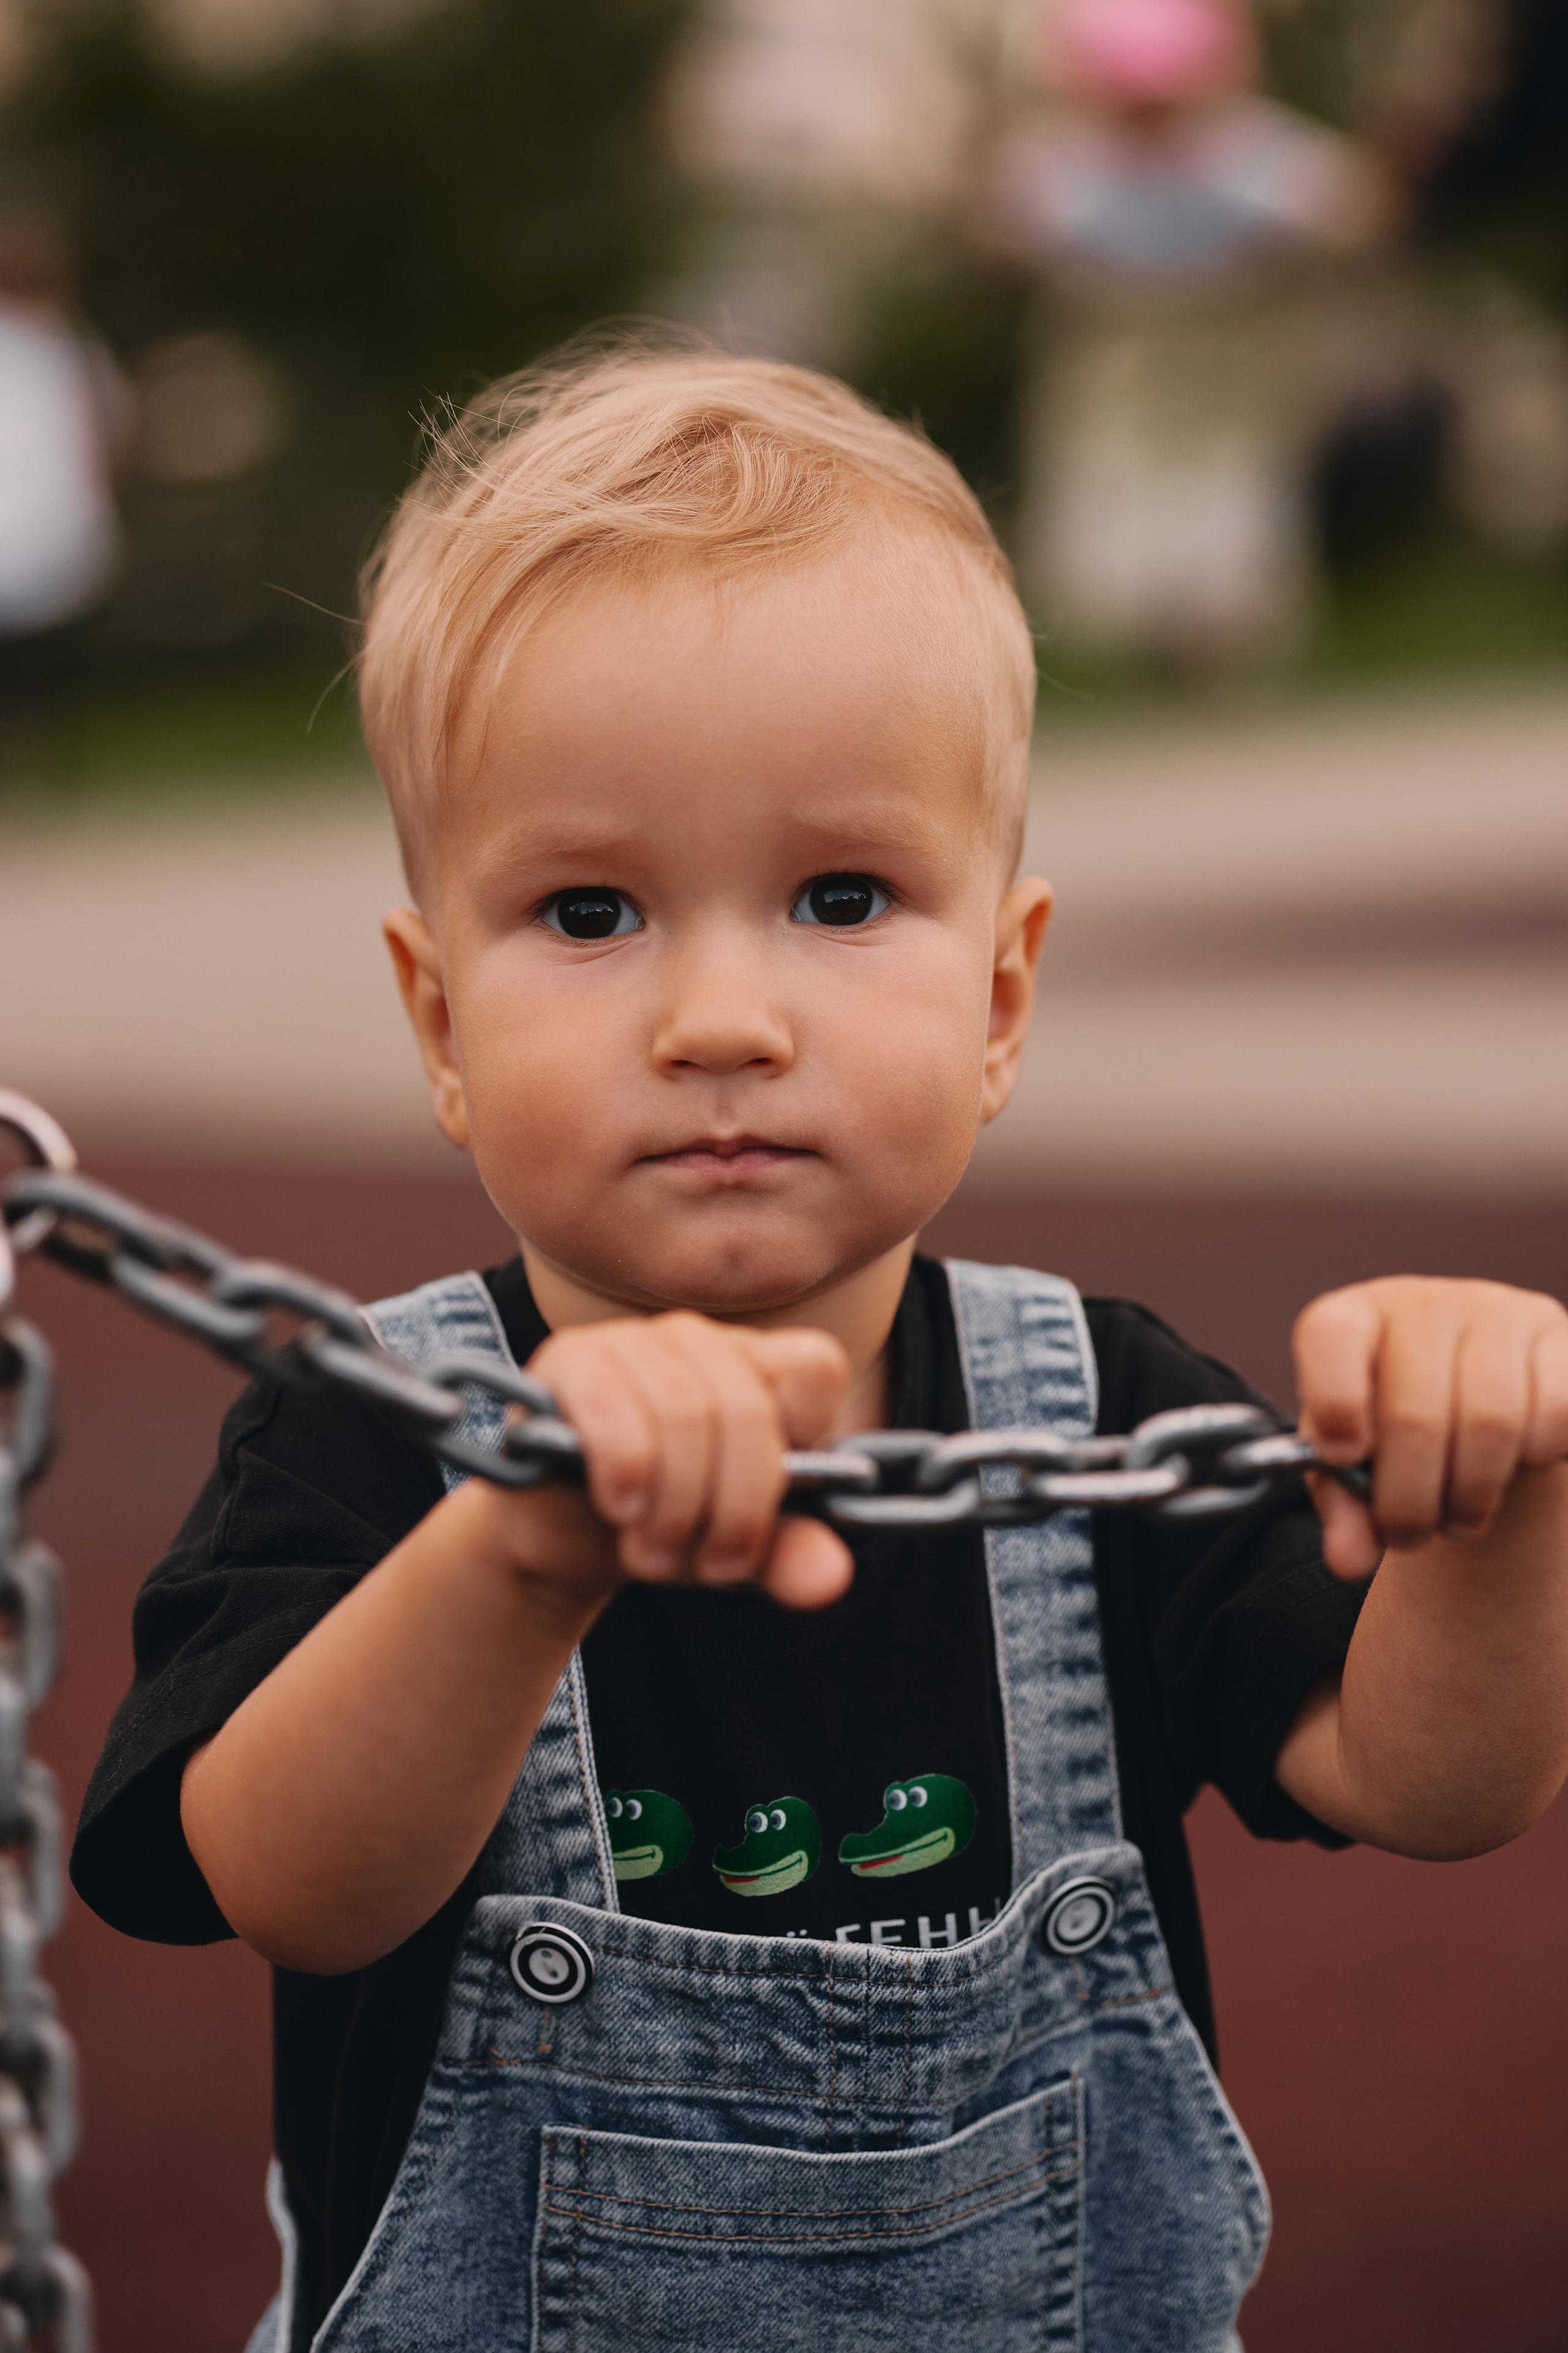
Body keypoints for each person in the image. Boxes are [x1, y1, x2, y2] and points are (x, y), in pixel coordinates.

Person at [71, 344, 1568, 2353]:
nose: (718, 1016)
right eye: (591, 909)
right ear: (439, 1023)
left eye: (839, 895)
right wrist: (515, 1555)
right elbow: (283, 1882)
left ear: (1006, 992)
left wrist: (1502, 1504)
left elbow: (1421, 1774)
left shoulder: (1099, 1411)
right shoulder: (373, 1424)